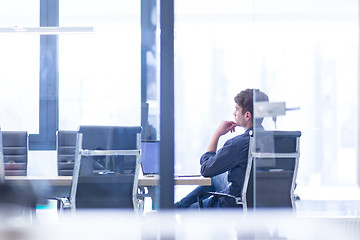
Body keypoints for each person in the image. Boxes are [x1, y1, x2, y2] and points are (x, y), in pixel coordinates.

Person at [175, 88, 269, 208]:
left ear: (247, 115)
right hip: (262, 205)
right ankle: (177, 206)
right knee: (216, 175)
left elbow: (206, 169)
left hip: (234, 204)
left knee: (189, 209)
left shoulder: (238, 144)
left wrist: (217, 134)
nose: (234, 113)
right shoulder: (275, 141)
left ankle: (177, 208)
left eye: (237, 109)